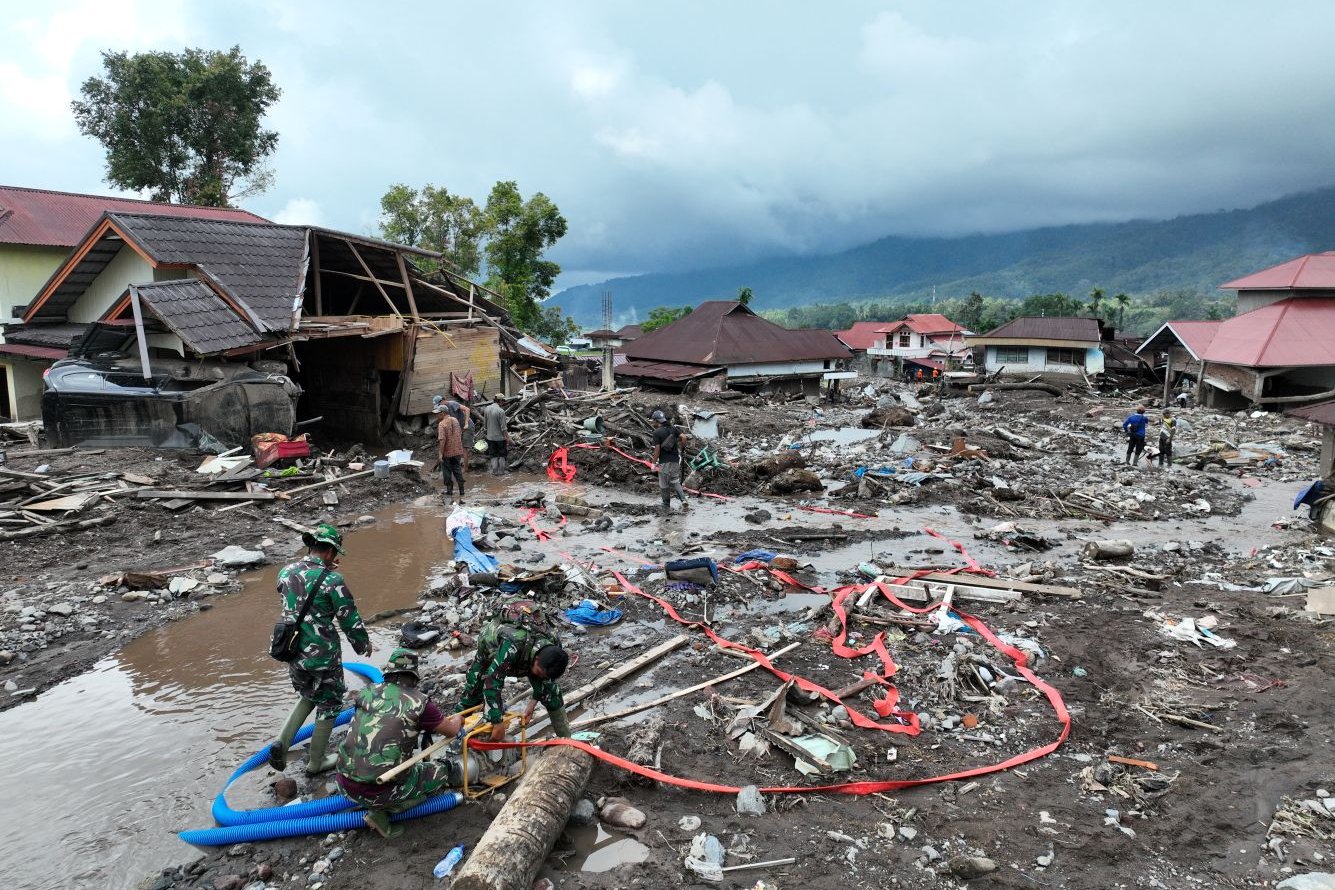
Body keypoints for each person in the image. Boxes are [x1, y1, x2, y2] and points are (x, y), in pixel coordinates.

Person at [268, 523, 371, 774]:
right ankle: (316, 762)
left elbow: (291, 597)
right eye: (334, 554)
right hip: (322, 655)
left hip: (292, 650)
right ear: (329, 552)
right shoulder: (333, 580)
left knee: (307, 694)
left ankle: (281, 744)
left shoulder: (285, 571)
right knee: (330, 703)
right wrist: (362, 645)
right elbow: (348, 617)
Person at [335, 648, 465, 839]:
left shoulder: (367, 691)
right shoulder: (420, 703)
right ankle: (386, 810)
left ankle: (376, 801)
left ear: (389, 673)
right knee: (444, 770)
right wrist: (460, 719)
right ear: (413, 677)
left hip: (344, 783)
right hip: (379, 790)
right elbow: (452, 731)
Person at [454, 603, 571, 743]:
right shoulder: (512, 646)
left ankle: (567, 740)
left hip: (528, 654)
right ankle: (454, 735)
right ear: (537, 659)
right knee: (472, 693)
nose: (540, 677)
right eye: (540, 672)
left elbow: (545, 680)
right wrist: (497, 723)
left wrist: (532, 705)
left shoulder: (553, 644)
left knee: (551, 692)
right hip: (490, 649)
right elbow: (492, 682)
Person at [652, 409, 690, 515]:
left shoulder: (656, 432)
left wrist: (653, 463)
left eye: (653, 421)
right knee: (675, 481)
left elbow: (657, 449)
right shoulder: (673, 429)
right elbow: (683, 437)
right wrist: (682, 447)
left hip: (664, 462)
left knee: (663, 484)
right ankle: (684, 501)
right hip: (675, 460)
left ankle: (666, 505)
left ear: (656, 421)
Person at [434, 401, 466, 502]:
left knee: (447, 471)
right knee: (457, 470)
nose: (437, 415)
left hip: (447, 452)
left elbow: (442, 440)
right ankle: (462, 491)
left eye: (438, 414)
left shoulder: (442, 424)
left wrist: (440, 454)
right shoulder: (455, 420)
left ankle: (449, 491)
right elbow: (459, 433)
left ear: (443, 413)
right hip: (457, 451)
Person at [482, 393, 510, 475]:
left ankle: (494, 472)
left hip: (490, 437)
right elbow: (504, 428)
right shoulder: (501, 411)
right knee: (502, 455)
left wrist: (486, 433)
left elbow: (485, 424)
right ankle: (501, 472)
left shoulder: (487, 409)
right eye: (503, 401)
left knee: (493, 455)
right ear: (500, 401)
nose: (503, 403)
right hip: (500, 438)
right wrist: (508, 438)